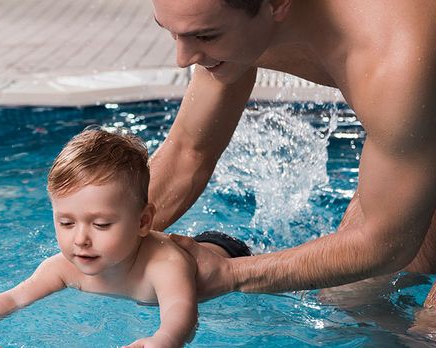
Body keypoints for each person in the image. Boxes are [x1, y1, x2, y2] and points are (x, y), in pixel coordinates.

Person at [147, 0, 436, 319]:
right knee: (347, 298)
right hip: (423, 131)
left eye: (206, 37)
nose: (182, 59)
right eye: (173, 35)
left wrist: (231, 273)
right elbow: (189, 151)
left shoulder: (394, 60)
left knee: (431, 326)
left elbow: (385, 244)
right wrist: (96, 235)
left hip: (417, 100)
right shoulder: (233, 30)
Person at [0, 128, 251, 348]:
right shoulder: (63, 268)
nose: (80, 240)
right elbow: (13, 299)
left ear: (144, 221)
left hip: (227, 251)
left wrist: (164, 339)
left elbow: (182, 309)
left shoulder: (164, 263)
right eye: (66, 222)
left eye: (100, 225)